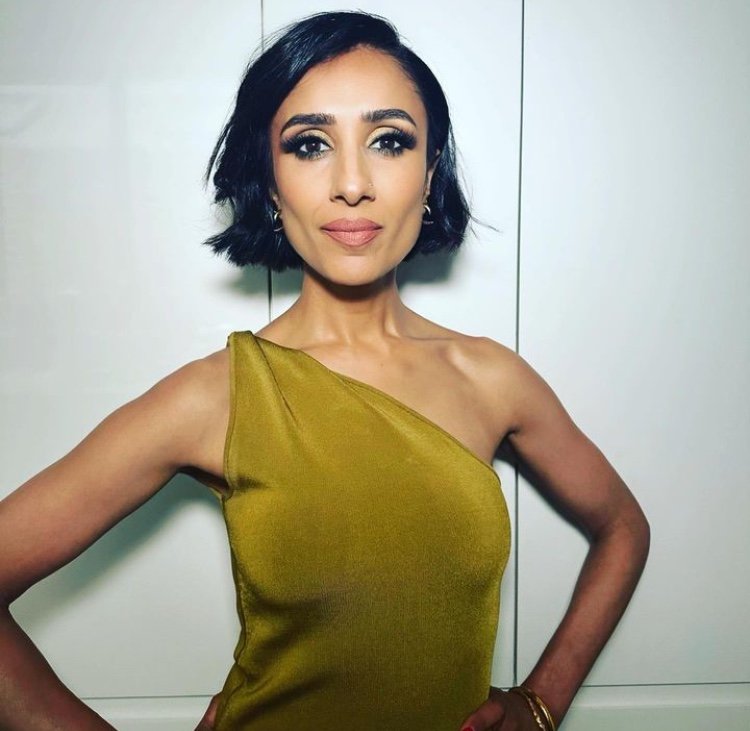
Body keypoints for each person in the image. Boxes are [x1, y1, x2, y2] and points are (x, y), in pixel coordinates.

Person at [0, 10, 650, 731]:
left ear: (429, 170)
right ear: (271, 180)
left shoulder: (490, 378)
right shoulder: (219, 395)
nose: (351, 182)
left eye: (389, 141)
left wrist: (540, 703)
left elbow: (622, 526)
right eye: (310, 144)